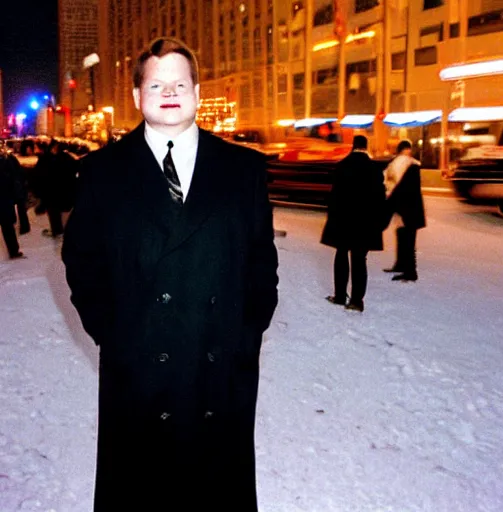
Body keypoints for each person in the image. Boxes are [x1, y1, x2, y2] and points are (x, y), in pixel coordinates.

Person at [62, 37, 279, 512]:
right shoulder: (102, 171)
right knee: (142, 491)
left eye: (180, 82)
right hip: (138, 371)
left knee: (215, 491)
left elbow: (262, 261)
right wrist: (114, 334)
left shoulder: (243, 169)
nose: (169, 91)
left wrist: (246, 331)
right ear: (138, 96)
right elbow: (82, 261)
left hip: (218, 369)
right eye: (156, 83)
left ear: (198, 93)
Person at [321, 135, 386, 312]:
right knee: (359, 260)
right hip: (365, 223)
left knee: (341, 255)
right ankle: (357, 301)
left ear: (353, 146)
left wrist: (331, 218)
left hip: (343, 220)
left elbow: (334, 197)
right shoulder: (374, 169)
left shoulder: (342, 166)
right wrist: (379, 222)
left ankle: (340, 296)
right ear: (366, 147)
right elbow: (380, 199)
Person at [383, 139, 426, 282]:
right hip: (411, 207)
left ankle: (409, 271)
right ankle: (402, 265)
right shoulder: (414, 164)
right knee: (406, 237)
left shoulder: (395, 164)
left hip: (401, 206)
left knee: (405, 237)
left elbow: (389, 184)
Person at [0, 146, 25, 259]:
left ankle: (14, 250)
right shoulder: (6, 159)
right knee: (8, 225)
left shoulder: (6, 159)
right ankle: (13, 250)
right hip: (5, 198)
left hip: (5, 198)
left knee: (8, 225)